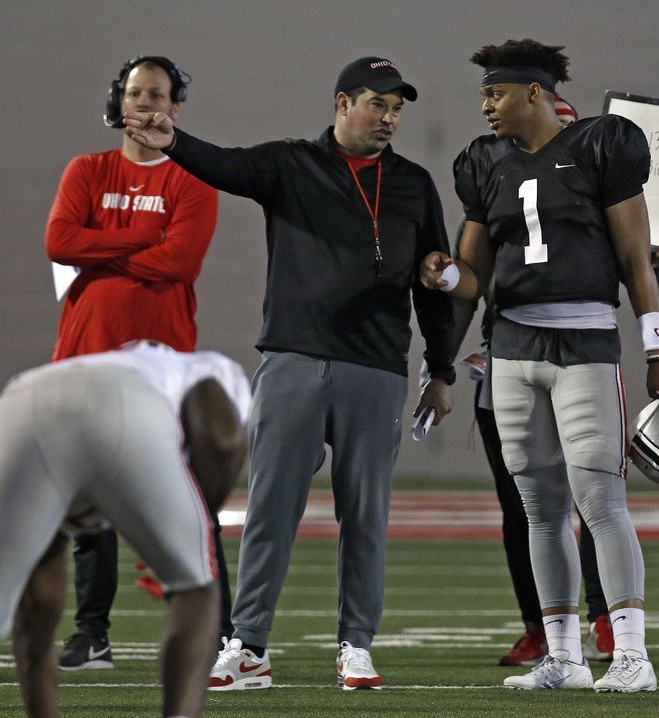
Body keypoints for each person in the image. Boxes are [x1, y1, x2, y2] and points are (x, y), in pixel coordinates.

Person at [123, 55, 455, 690]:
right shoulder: (290, 163)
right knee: (270, 511)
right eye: (376, 103)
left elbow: (434, 282)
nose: (388, 117)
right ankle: (248, 645)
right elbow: (227, 165)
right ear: (341, 103)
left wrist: (439, 368)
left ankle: (356, 645)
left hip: (378, 368)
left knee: (366, 515)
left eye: (396, 108)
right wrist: (176, 144)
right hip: (294, 362)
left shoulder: (413, 183)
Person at [421, 38, 659, 692]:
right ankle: (563, 657)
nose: (486, 106)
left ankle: (631, 656)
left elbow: (634, 256)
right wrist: (442, 282)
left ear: (534, 92)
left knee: (601, 499)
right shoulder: (484, 164)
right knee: (540, 508)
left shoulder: (602, 147)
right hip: (511, 348)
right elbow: (473, 273)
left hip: (586, 343)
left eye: (496, 93)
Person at [45, 55, 224, 671]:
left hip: (161, 364)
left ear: (176, 108)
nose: (145, 104)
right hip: (84, 355)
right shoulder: (86, 169)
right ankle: (92, 633)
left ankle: (220, 635)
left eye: (158, 95)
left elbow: (180, 263)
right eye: (136, 93)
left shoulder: (192, 180)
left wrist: (103, 252)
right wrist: (145, 240)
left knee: (185, 497)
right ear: (119, 102)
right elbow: (59, 243)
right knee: (88, 501)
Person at [0, 340, 250, 718]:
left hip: (20, 401)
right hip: (126, 404)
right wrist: (194, 521)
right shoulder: (211, 369)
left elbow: (39, 604)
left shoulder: (121, 366)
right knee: (197, 588)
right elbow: (224, 440)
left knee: (20, 607)